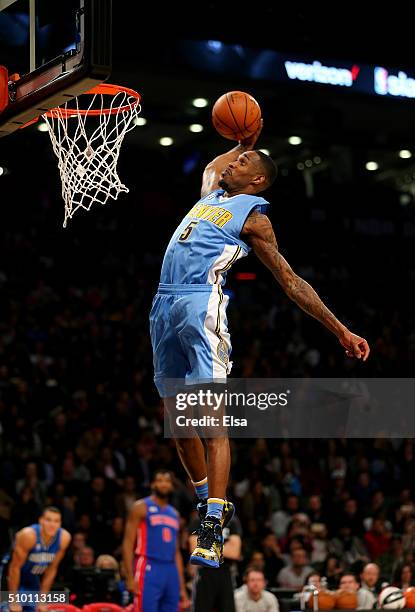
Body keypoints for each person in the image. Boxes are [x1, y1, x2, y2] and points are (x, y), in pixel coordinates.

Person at [149, 119, 371, 568]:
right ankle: (206, 500)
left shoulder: (254, 217)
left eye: (245, 161)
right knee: (175, 421)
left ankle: (212, 524)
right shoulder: (212, 194)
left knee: (209, 418)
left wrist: (341, 330)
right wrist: (244, 141)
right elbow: (215, 163)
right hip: (163, 303)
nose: (236, 161)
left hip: (200, 305)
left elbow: (291, 283)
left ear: (256, 181)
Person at [122, 470, 190, 612]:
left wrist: (182, 587)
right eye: (160, 480)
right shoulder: (140, 507)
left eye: (167, 481)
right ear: (153, 484)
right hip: (148, 565)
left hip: (170, 569)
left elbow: (176, 551)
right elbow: (128, 543)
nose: (164, 484)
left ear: (172, 486)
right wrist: (129, 576)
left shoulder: (175, 514)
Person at [5, 506, 71, 612]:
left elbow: (52, 569)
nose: (52, 525)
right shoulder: (28, 535)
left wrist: (42, 600)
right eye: (48, 520)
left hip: (32, 577)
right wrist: (13, 600)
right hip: (10, 575)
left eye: (56, 521)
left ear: (60, 523)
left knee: (39, 608)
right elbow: (14, 568)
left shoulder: (64, 538)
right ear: (41, 521)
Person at [188, 510, 242, 611]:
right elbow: (194, 548)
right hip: (204, 572)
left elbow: (235, 552)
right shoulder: (198, 520)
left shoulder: (232, 521)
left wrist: (206, 545)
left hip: (225, 572)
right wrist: (225, 547)